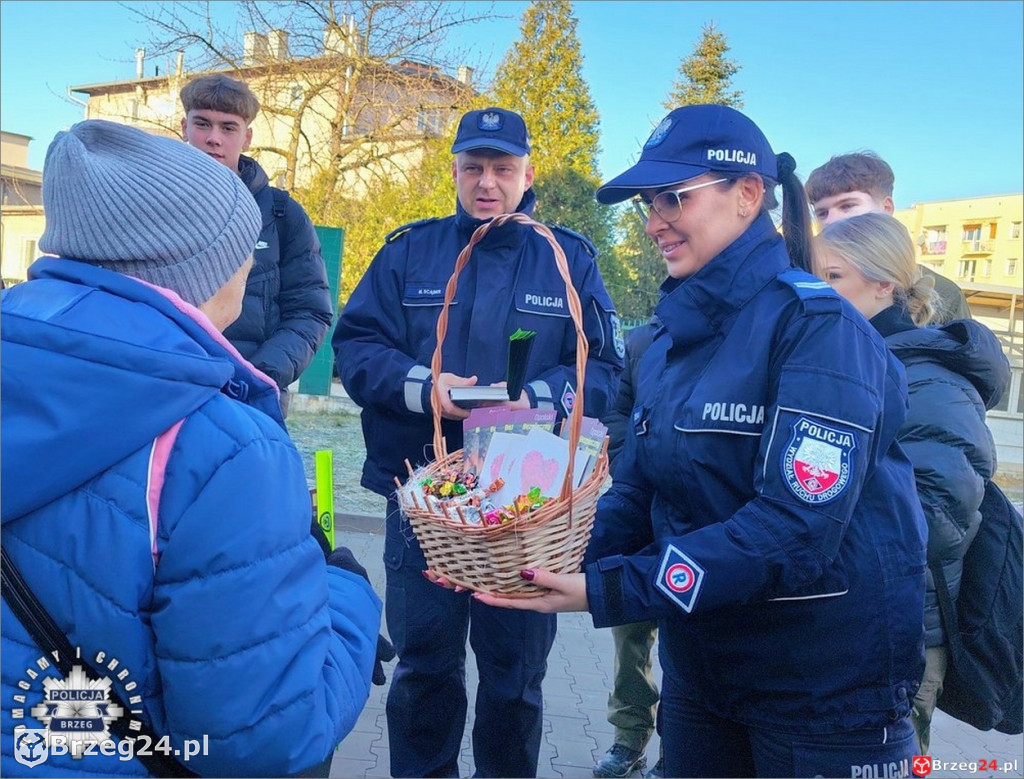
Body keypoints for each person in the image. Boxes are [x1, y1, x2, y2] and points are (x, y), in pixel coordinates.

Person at [473, 104, 929, 778]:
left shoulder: (820, 329)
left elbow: (794, 531)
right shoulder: (667, 341)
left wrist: (607, 589)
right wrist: (536, 559)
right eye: (648, 202)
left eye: (673, 197)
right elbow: (640, 490)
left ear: (747, 194)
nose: (653, 221)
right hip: (703, 672)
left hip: (822, 688)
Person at [1, 120, 383, 777]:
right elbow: (263, 740)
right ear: (203, 265)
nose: (252, 265)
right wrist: (349, 598)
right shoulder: (227, 449)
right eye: (244, 249)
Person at [333, 106, 624, 778]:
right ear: (456, 172)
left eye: (502, 168)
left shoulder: (568, 259)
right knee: (424, 668)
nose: (487, 182)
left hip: (525, 509)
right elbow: (356, 347)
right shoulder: (409, 251)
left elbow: (604, 368)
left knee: (515, 678)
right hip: (424, 497)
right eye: (473, 167)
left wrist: (541, 398)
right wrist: (423, 387)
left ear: (528, 174)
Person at [815, 212, 1009, 753]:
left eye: (832, 276)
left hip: (895, 637)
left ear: (884, 284)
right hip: (838, 623)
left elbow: (935, 524)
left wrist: (804, 527)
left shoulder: (928, 379)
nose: (816, 290)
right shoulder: (849, 359)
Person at [180, 73, 333, 418]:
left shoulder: (283, 214)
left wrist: (256, 377)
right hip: (167, 391)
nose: (214, 138)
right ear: (184, 127)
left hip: (250, 404)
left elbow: (310, 311)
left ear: (246, 137)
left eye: (228, 127)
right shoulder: (152, 204)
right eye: (202, 124)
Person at [596, 317, 663, 779]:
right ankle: (629, 737)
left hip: (702, 517)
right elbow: (616, 411)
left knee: (689, 645)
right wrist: (629, 463)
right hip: (639, 508)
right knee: (630, 635)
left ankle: (680, 748)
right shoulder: (641, 341)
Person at [805, 151, 972, 323]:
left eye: (847, 206)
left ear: (886, 208)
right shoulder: (804, 277)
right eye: (822, 213)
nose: (831, 220)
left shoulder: (945, 294)